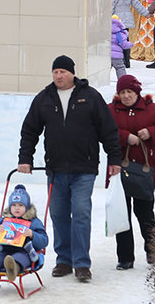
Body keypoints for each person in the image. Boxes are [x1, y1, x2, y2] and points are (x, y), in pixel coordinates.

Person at [17, 55, 121, 283]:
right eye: (55, 72)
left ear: (72, 73)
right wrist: (25, 158)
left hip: (83, 168)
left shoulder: (90, 97)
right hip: (55, 170)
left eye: (63, 72)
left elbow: (108, 130)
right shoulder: (44, 99)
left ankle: (82, 263)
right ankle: (64, 260)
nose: (59, 76)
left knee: (81, 213)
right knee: (58, 215)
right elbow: (30, 130)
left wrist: (114, 158)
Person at [107, 74, 155, 272]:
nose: (126, 96)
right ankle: (125, 257)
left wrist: (151, 133)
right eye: (122, 92)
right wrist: (124, 137)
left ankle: (153, 251)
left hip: (144, 173)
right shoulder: (111, 110)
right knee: (122, 215)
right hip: (119, 171)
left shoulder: (151, 109)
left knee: (145, 213)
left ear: (137, 92)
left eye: (129, 92)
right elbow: (102, 131)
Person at [0, 184, 49, 282]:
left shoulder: (33, 222)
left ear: (27, 207)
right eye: (14, 205)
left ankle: (13, 268)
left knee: (20, 258)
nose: (17, 208)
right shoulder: (4, 220)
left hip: (24, 251)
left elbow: (44, 241)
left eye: (21, 205)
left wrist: (32, 234)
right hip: (4, 249)